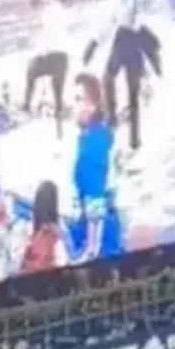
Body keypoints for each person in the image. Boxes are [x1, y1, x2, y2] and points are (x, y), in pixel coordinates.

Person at [83, 0, 162, 155]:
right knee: (132, 90)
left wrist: (94, 43)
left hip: (124, 38)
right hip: (132, 38)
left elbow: (111, 19)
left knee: (111, 78)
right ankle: (132, 138)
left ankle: (113, 123)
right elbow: (143, 6)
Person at [65, 73, 124, 261]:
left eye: (78, 99)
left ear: (93, 105)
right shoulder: (94, 134)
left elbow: (95, 202)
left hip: (98, 240)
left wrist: (90, 252)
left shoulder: (94, 140)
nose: (72, 105)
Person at [23, 0, 72, 140]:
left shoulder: (49, 9)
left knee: (31, 72)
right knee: (57, 93)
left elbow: (42, 31)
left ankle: (26, 106)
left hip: (52, 56)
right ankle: (59, 129)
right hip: (63, 58)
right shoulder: (58, 9)